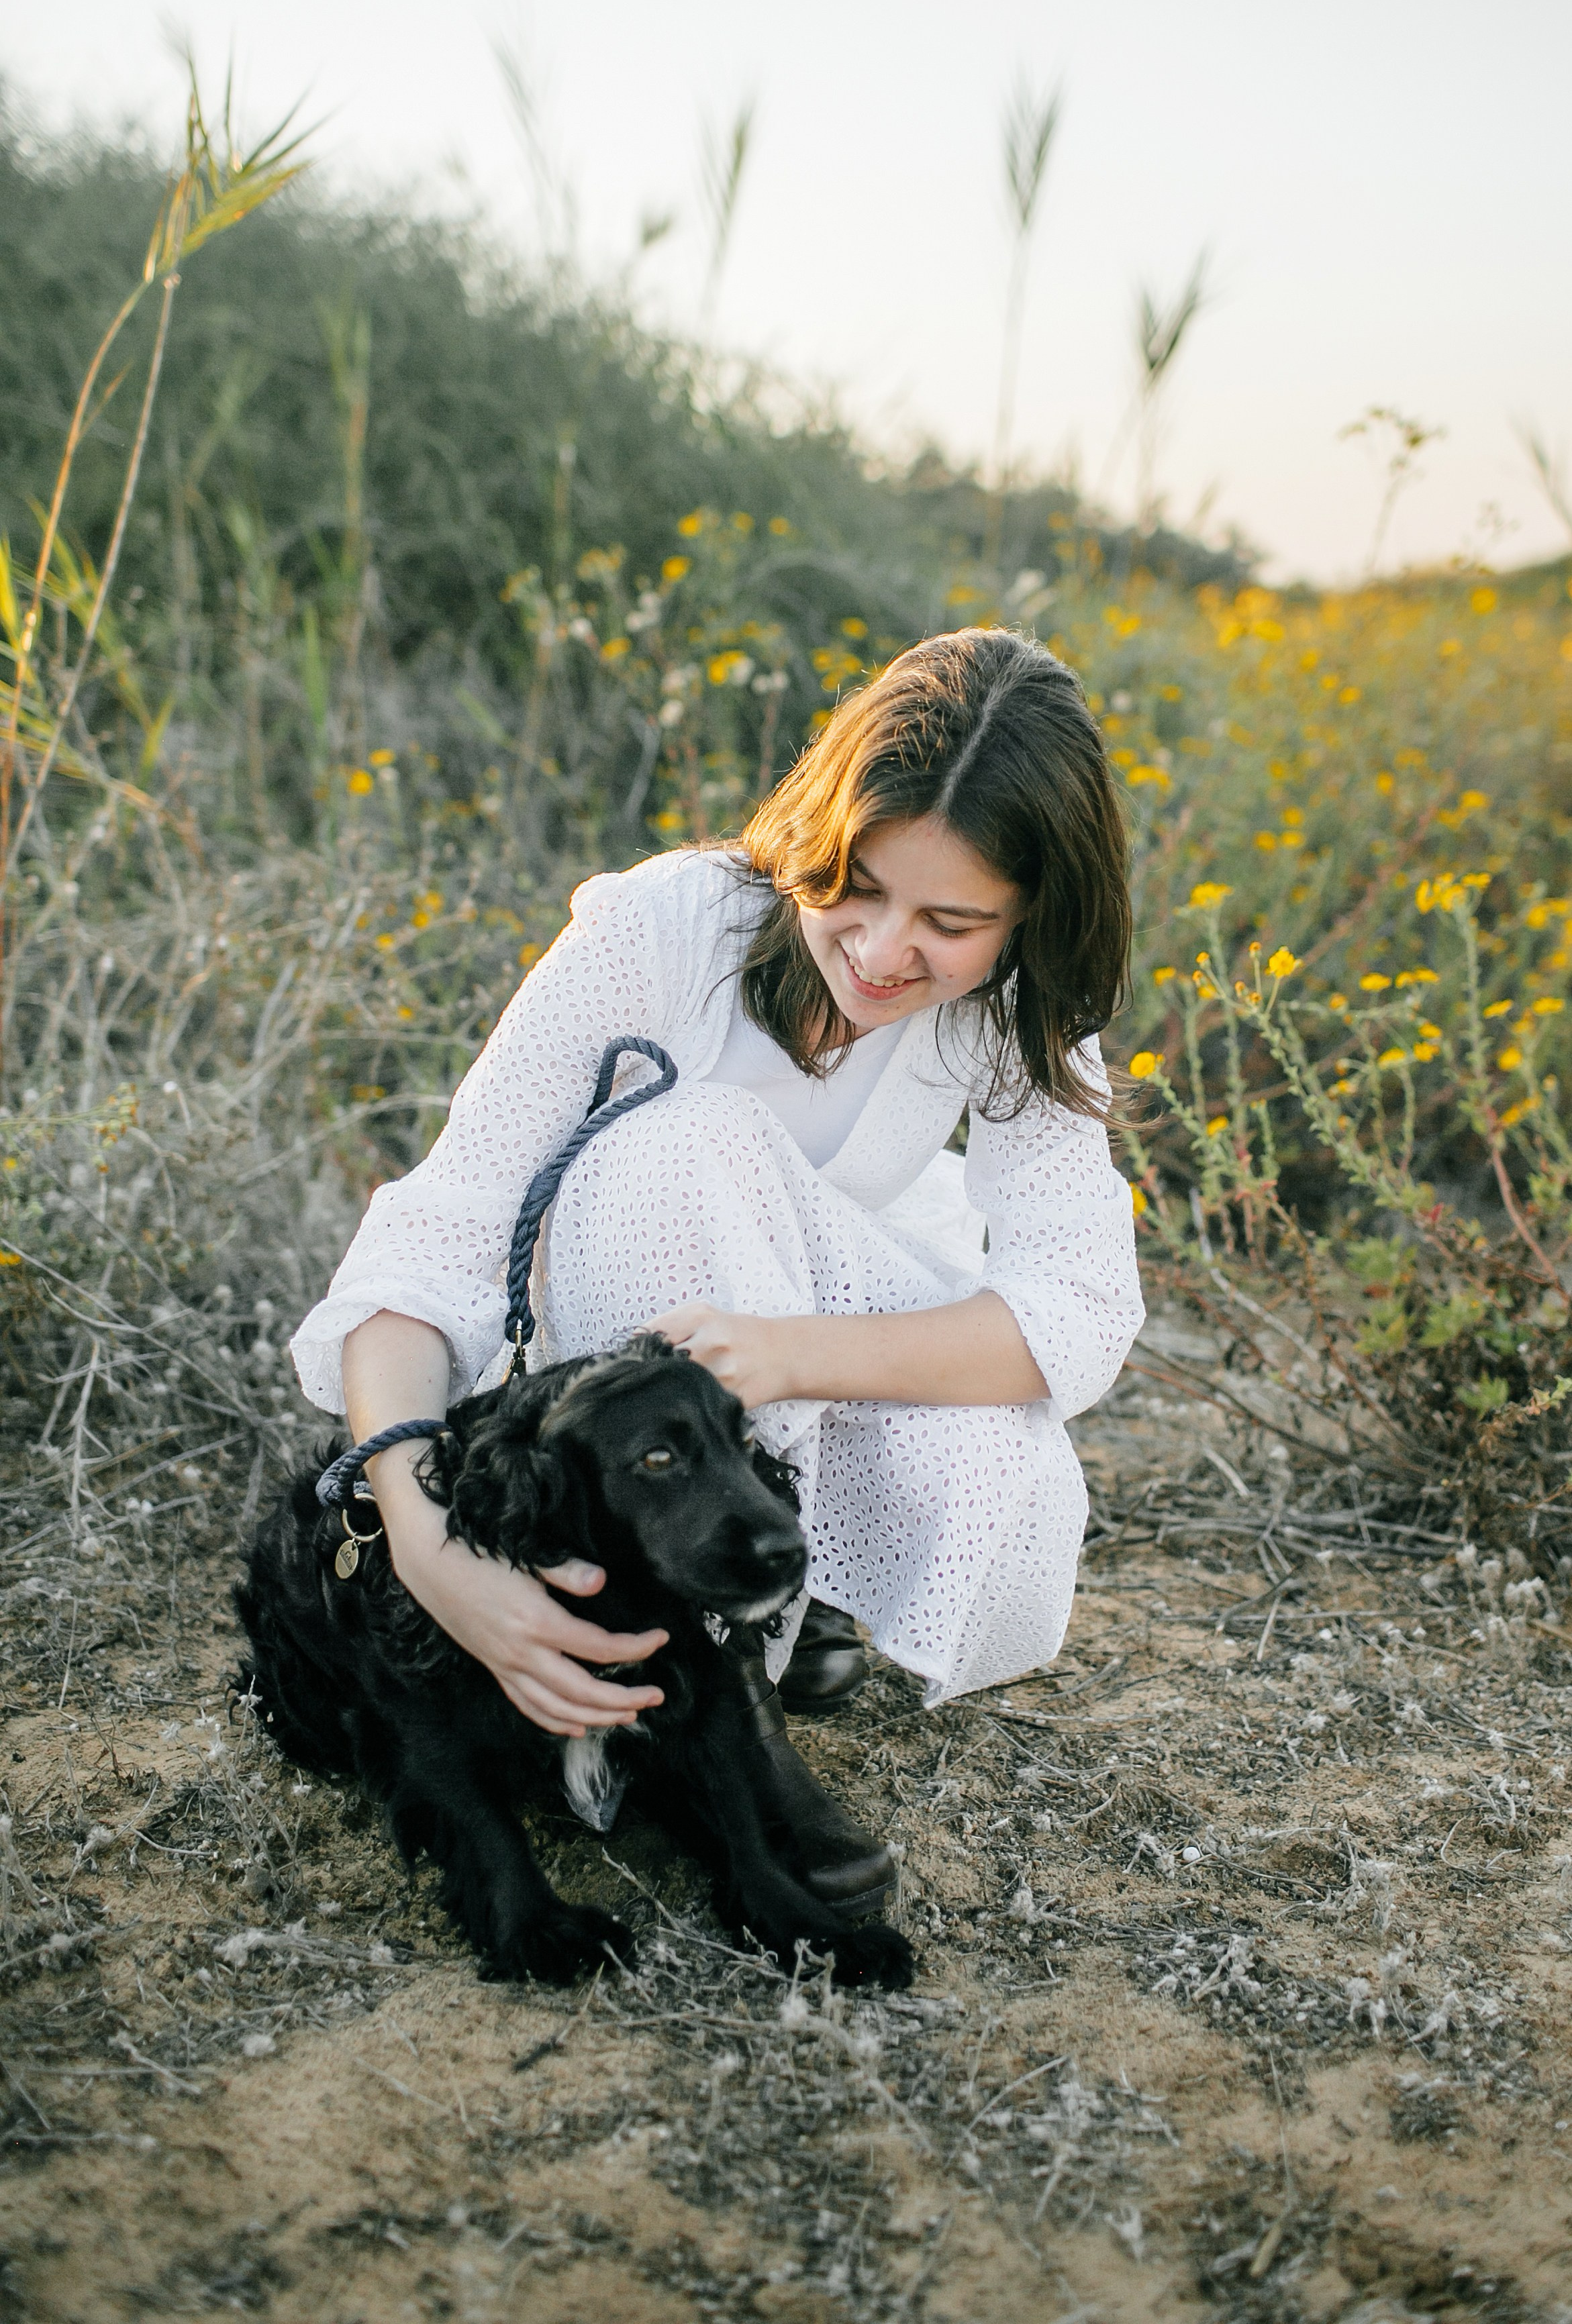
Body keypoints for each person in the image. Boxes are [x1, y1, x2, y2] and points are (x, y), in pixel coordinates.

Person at [290, 627, 1144, 1907]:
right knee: (687, 1136)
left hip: (788, 1351)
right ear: (818, 830)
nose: (881, 951)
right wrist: (424, 1543)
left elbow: (1078, 1305)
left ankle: (778, 1609)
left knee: (999, 1433)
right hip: (613, 1366)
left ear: (1030, 915)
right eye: (854, 885)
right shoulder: (663, 928)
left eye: (952, 921)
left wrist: (791, 1353)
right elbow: (437, 1238)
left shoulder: (1018, 1007)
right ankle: (726, 1683)